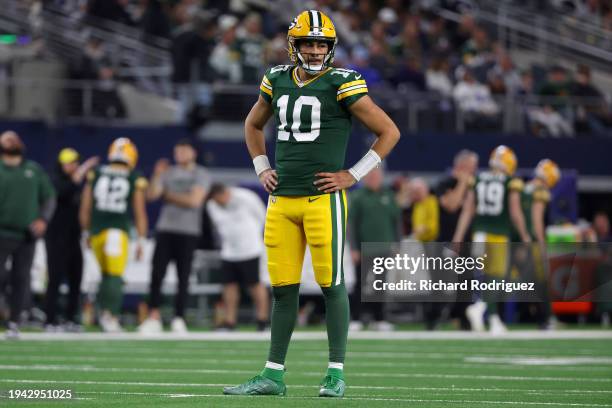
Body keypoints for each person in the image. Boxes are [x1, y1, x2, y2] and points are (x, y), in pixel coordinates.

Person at [223, 10, 400, 398]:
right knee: (283, 289)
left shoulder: (343, 82)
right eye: (309, 43)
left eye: (322, 43)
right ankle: (273, 374)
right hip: (281, 201)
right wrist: (261, 166)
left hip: (323, 200)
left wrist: (353, 174)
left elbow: (389, 131)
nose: (317, 50)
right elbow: (253, 125)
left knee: (331, 285)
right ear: (295, 45)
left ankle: (335, 373)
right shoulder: (277, 78)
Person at [453, 145, 531, 334]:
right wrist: (525, 235)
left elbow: (468, 210)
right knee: (496, 278)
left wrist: (458, 236)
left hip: (479, 234)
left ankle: (492, 317)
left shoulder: (477, 179)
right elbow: (515, 212)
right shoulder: (511, 182)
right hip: (498, 235)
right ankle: (481, 309)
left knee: (485, 278)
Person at [138, 139, 209, 334]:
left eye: (184, 151)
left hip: (188, 231)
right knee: (157, 273)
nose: (180, 155)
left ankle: (179, 317)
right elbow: (152, 196)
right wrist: (157, 174)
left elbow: (194, 201)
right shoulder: (168, 172)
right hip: (165, 228)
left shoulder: (200, 173)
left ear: (193, 152)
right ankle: (153, 316)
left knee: (183, 276)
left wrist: (168, 196)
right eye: (177, 151)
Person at [79, 138, 148, 333]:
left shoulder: (96, 173)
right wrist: (141, 240)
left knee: (105, 275)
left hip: (96, 232)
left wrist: (85, 231)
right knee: (115, 276)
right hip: (117, 231)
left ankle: (103, 315)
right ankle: (111, 316)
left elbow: (85, 207)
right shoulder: (133, 176)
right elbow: (139, 211)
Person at [0, 131, 56, 339]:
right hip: (1, 232)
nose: (12, 140)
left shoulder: (33, 169)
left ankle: (14, 321)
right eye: (7, 138)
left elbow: (49, 197)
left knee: (21, 278)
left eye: (15, 138)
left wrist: (43, 219)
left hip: (26, 234)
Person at [45, 148, 98, 331]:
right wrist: (83, 171)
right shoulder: (54, 180)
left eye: (74, 162)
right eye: (68, 163)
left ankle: (70, 318)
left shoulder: (79, 185)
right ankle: (50, 320)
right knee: (55, 279)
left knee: (76, 278)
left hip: (74, 237)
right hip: (56, 237)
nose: (72, 166)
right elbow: (63, 192)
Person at [206, 183, 269, 330]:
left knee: (255, 285)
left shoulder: (246, 197)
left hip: (251, 249)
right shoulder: (211, 205)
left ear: (225, 193)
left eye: (219, 199)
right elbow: (219, 226)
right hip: (229, 251)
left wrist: (252, 237)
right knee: (229, 286)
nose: (218, 203)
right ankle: (230, 321)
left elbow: (262, 216)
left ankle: (262, 320)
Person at [349, 167, 401, 332]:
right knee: (360, 285)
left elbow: (397, 222)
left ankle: (378, 319)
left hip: (384, 248)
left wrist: (397, 243)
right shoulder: (358, 197)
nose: (373, 179)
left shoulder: (388, 195)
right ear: (364, 178)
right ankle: (356, 318)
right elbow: (351, 225)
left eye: (376, 176)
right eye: (370, 176)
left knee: (380, 284)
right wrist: (354, 248)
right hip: (364, 248)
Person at [435, 150, 478, 330]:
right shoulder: (445, 183)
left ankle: (462, 319)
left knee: (466, 283)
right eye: (471, 167)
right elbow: (451, 205)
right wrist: (462, 182)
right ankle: (434, 319)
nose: (473, 171)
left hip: (467, 240)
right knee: (440, 283)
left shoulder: (474, 186)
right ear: (461, 166)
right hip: (445, 240)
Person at [516, 159, 560, 329]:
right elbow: (536, 221)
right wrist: (542, 246)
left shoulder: (525, 188)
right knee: (541, 281)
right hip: (531, 242)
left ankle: (536, 317)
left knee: (527, 282)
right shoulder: (539, 191)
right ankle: (546, 318)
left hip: (518, 240)